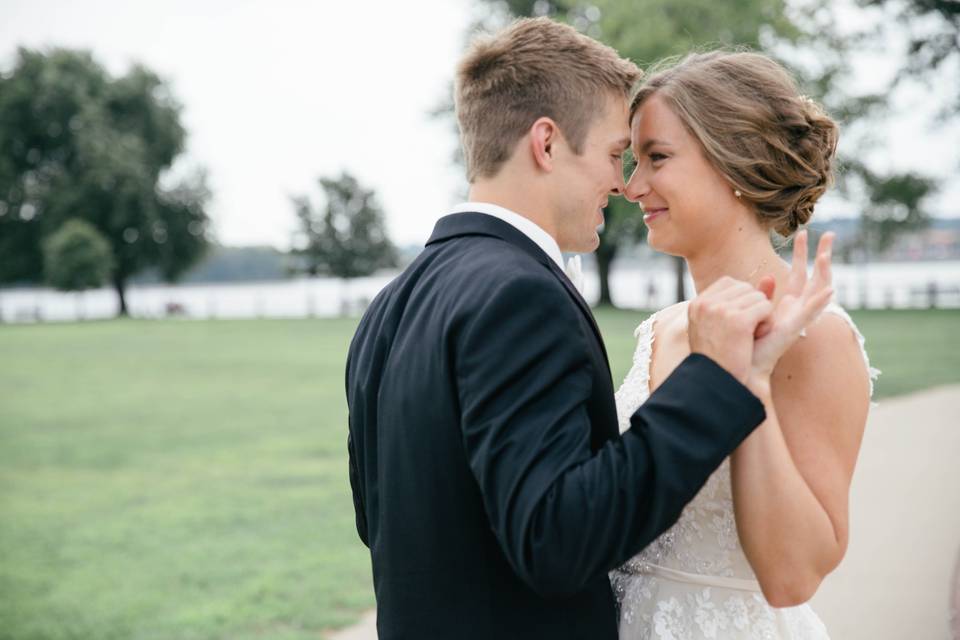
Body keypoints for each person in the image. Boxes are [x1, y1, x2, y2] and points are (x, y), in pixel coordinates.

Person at [345, 20, 834, 639]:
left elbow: (378, 520)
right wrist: (713, 379)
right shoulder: (519, 295)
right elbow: (558, 539)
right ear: (547, 144)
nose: (622, 183)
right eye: (613, 154)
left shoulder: (392, 303)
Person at [611, 50, 878, 638]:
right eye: (633, 161)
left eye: (656, 158)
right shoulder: (660, 330)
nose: (631, 187)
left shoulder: (817, 339)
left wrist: (748, 377)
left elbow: (791, 577)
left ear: (733, 163)